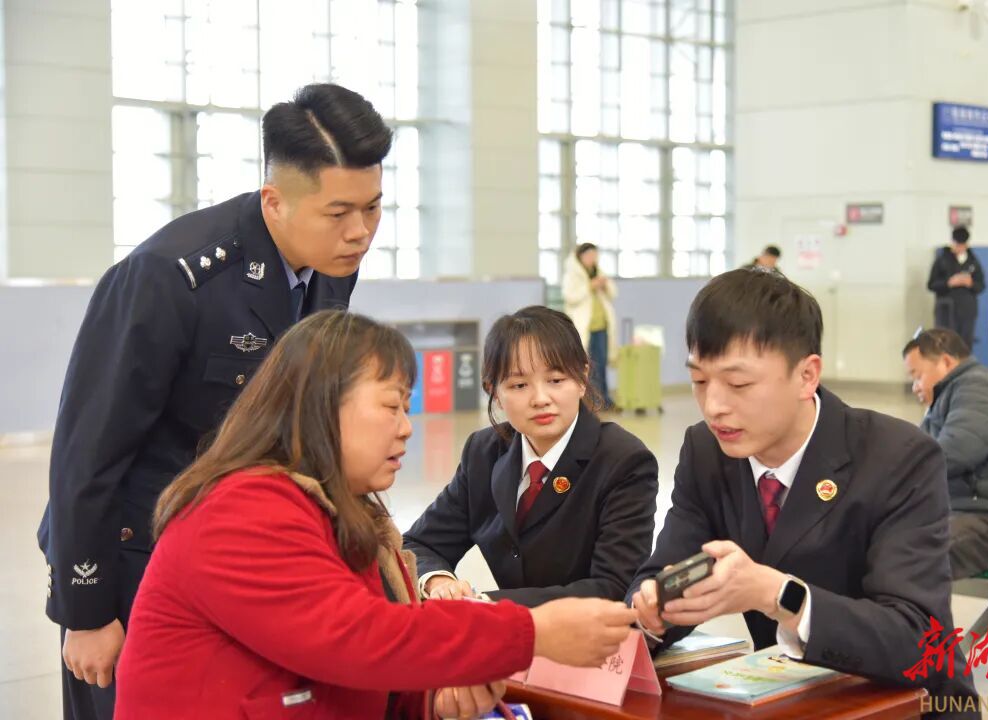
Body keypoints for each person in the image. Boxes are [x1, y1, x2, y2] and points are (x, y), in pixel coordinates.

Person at [38, 83, 390, 720]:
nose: (360, 232)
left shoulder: (329, 263)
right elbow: (85, 454)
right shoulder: (171, 276)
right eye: (339, 212)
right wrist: (86, 611)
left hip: (239, 552)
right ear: (274, 201)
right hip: (137, 559)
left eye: (373, 207)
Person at [114, 311, 637, 720]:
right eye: (391, 407)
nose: (407, 427)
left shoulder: (341, 512)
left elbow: (367, 663)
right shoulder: (241, 511)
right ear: (320, 407)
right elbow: (357, 637)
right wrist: (528, 631)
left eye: (407, 407)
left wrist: (432, 699)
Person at [628, 269, 978, 716]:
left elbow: (916, 637)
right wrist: (652, 612)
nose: (714, 405)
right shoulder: (706, 451)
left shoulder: (898, 457)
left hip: (910, 704)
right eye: (699, 381)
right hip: (794, 701)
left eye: (738, 384)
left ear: (807, 375)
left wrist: (779, 595)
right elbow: (662, 574)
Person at [404, 306, 658, 606]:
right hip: (511, 630)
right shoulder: (483, 453)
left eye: (556, 380)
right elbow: (419, 543)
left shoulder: (623, 460)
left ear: (582, 378)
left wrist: (486, 604)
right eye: (519, 385)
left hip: (585, 632)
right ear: (495, 392)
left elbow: (613, 586)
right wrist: (438, 581)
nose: (540, 399)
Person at [902, 328, 988, 579]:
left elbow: (955, 452)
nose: (915, 387)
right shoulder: (945, 397)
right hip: (958, 516)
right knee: (874, 541)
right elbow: (913, 453)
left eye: (918, 376)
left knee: (909, 555)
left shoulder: (981, 389)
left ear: (945, 361)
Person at [562, 243, 617, 408]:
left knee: (602, 364)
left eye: (595, 255)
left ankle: (604, 398)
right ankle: (592, 400)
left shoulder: (599, 272)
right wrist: (589, 286)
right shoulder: (573, 275)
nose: (593, 258)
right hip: (584, 328)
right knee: (588, 365)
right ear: (581, 256)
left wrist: (604, 285)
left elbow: (613, 293)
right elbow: (570, 296)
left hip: (601, 327)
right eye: (590, 255)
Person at [928, 226, 984, 349]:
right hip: (946, 310)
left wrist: (970, 283)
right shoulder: (942, 260)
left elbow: (981, 286)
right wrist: (949, 283)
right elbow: (931, 284)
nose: (959, 248)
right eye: (957, 244)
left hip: (967, 311)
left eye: (962, 245)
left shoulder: (973, 262)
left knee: (964, 345)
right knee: (946, 344)